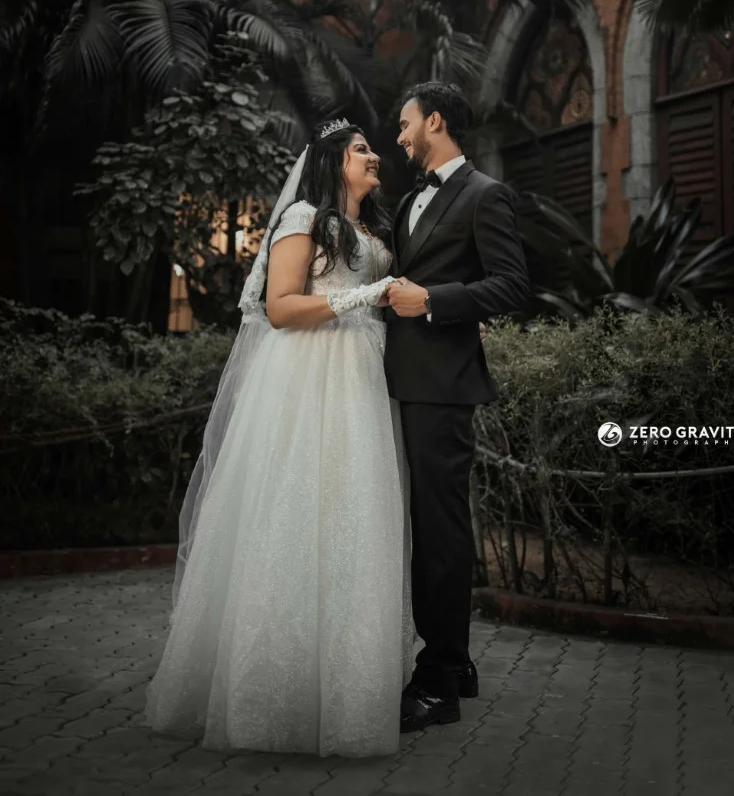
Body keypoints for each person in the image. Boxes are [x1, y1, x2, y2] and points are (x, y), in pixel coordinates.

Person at [144, 120, 412, 757]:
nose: (374, 156)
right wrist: (366, 295)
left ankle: (347, 691)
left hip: (365, 380)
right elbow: (281, 307)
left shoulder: (377, 230)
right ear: (332, 161)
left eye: (373, 147)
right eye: (361, 150)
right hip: (310, 376)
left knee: (353, 518)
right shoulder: (302, 218)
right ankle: (270, 695)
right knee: (294, 512)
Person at [384, 81, 530, 733]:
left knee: (440, 532)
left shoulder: (485, 194)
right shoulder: (409, 198)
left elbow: (512, 285)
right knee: (427, 527)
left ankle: (439, 679)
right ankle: (460, 663)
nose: (399, 136)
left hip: (443, 386)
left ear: (435, 121)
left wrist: (436, 302)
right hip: (402, 381)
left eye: (405, 124)